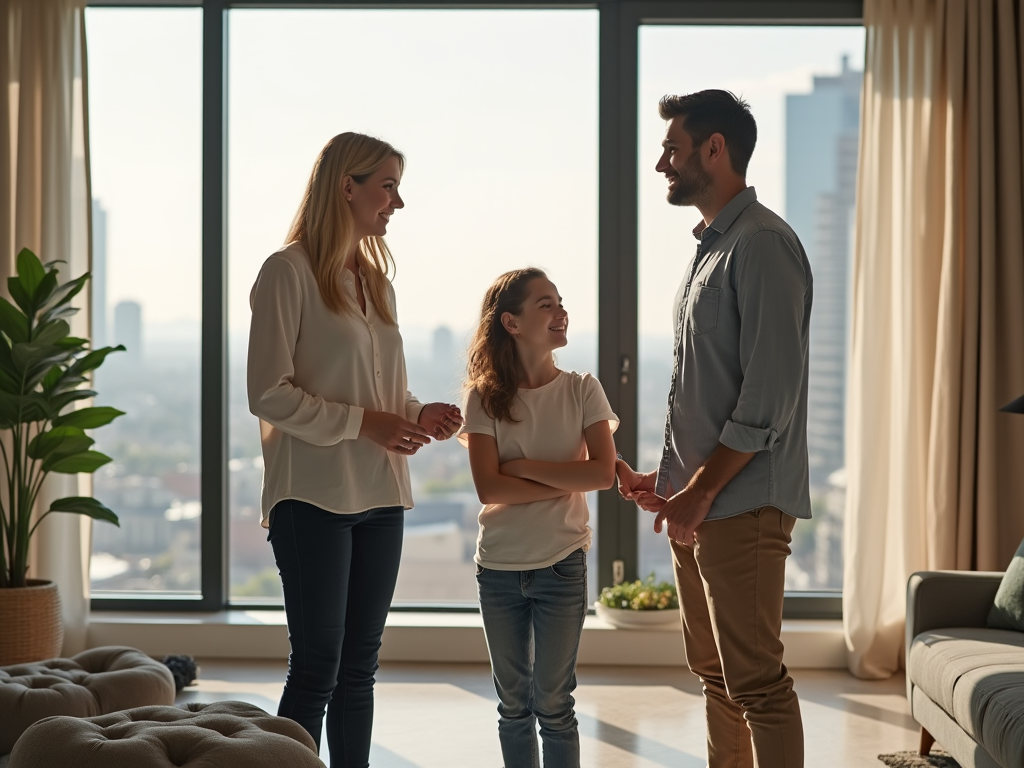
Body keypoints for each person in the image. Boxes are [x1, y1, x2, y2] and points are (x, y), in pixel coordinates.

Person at [246, 132, 463, 768]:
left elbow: (377, 389)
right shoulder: (285, 272)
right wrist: (366, 424)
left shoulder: (374, 281)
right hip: (312, 495)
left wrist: (420, 412)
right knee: (317, 667)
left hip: (381, 495)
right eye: (388, 186)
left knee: (359, 670)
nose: (398, 202)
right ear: (348, 187)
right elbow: (268, 393)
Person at [616, 90, 812, 768]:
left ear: (715, 149)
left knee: (756, 680)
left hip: (742, 503)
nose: (661, 163)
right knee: (717, 675)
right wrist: (668, 481)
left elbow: (767, 398)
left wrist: (697, 492)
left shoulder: (763, 247)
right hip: (700, 500)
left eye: (672, 148)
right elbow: (704, 386)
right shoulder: (712, 250)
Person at [458, 268, 618, 768]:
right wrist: (565, 475)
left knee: (554, 705)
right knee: (513, 707)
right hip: (500, 569)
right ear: (511, 322)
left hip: (561, 564)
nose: (561, 311)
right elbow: (489, 487)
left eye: (560, 301)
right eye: (546, 304)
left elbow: (603, 475)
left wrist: (522, 467)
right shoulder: (483, 397)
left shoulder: (583, 389)